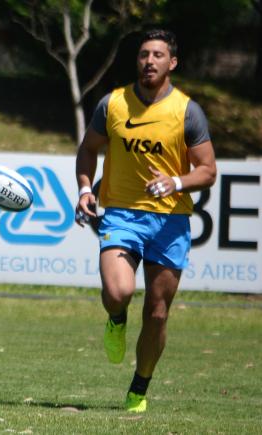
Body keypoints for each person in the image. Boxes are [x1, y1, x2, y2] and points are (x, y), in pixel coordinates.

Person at [75, 29, 217, 413]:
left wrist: (176, 181)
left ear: (172, 63)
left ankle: (139, 388)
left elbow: (207, 171)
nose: (148, 61)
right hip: (121, 213)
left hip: (170, 221)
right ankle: (116, 319)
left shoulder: (187, 111)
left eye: (157, 55)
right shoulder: (113, 104)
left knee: (157, 312)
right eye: (143, 54)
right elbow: (88, 150)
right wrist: (86, 190)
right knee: (118, 292)